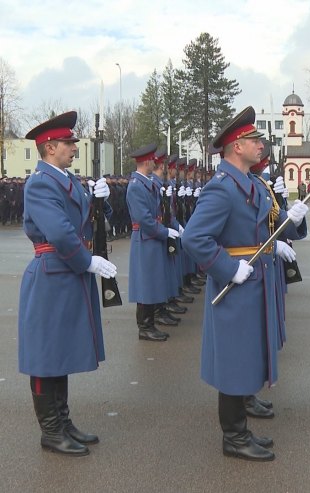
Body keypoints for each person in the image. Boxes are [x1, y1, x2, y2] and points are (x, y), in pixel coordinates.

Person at [182, 106, 308, 462]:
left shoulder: (255, 184)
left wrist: (295, 219)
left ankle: (241, 429)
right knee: (234, 359)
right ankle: (233, 436)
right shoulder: (221, 189)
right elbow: (194, 238)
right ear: (236, 146)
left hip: (257, 280)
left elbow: (278, 224)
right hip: (238, 282)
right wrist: (225, 267)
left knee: (249, 352)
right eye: (254, 140)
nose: (260, 145)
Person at [19, 111, 117, 456]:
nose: (74, 148)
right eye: (68, 143)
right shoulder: (41, 182)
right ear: (49, 147)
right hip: (52, 273)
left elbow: (84, 223)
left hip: (65, 273)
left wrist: (100, 203)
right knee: (47, 354)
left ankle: (62, 421)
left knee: (58, 352)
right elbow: (60, 231)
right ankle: (51, 431)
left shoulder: (66, 180)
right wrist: (87, 260)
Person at [126, 144, 181, 342]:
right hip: (145, 239)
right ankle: (145, 326)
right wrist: (165, 231)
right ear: (147, 162)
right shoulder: (136, 186)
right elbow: (145, 220)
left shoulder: (145, 184)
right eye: (152, 161)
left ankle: (152, 321)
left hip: (152, 238)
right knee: (145, 284)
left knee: (152, 281)